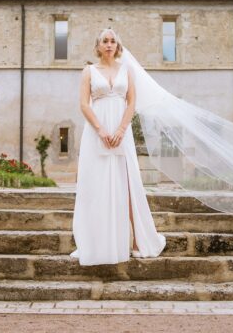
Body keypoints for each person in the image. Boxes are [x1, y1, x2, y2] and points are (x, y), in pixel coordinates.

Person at [70, 28, 166, 266]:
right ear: (98, 45)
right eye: (105, 40)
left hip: (122, 133)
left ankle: (137, 241)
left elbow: (131, 102)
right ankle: (96, 242)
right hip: (96, 132)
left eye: (113, 41)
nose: (109, 44)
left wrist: (122, 130)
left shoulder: (127, 70)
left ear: (118, 46)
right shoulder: (89, 71)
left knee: (128, 182)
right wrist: (101, 130)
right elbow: (84, 104)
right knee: (97, 184)